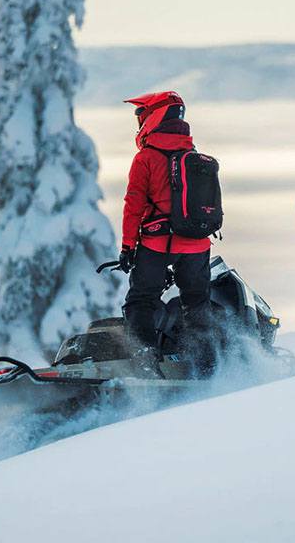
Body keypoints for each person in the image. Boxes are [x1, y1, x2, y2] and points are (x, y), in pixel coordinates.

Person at [119, 91, 213, 378]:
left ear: (154, 117)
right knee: (196, 303)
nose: (139, 122)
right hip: (197, 244)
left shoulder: (146, 157)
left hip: (158, 242)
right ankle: (207, 367)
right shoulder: (192, 155)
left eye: (141, 115)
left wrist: (127, 246)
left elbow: (133, 204)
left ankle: (146, 363)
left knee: (141, 300)